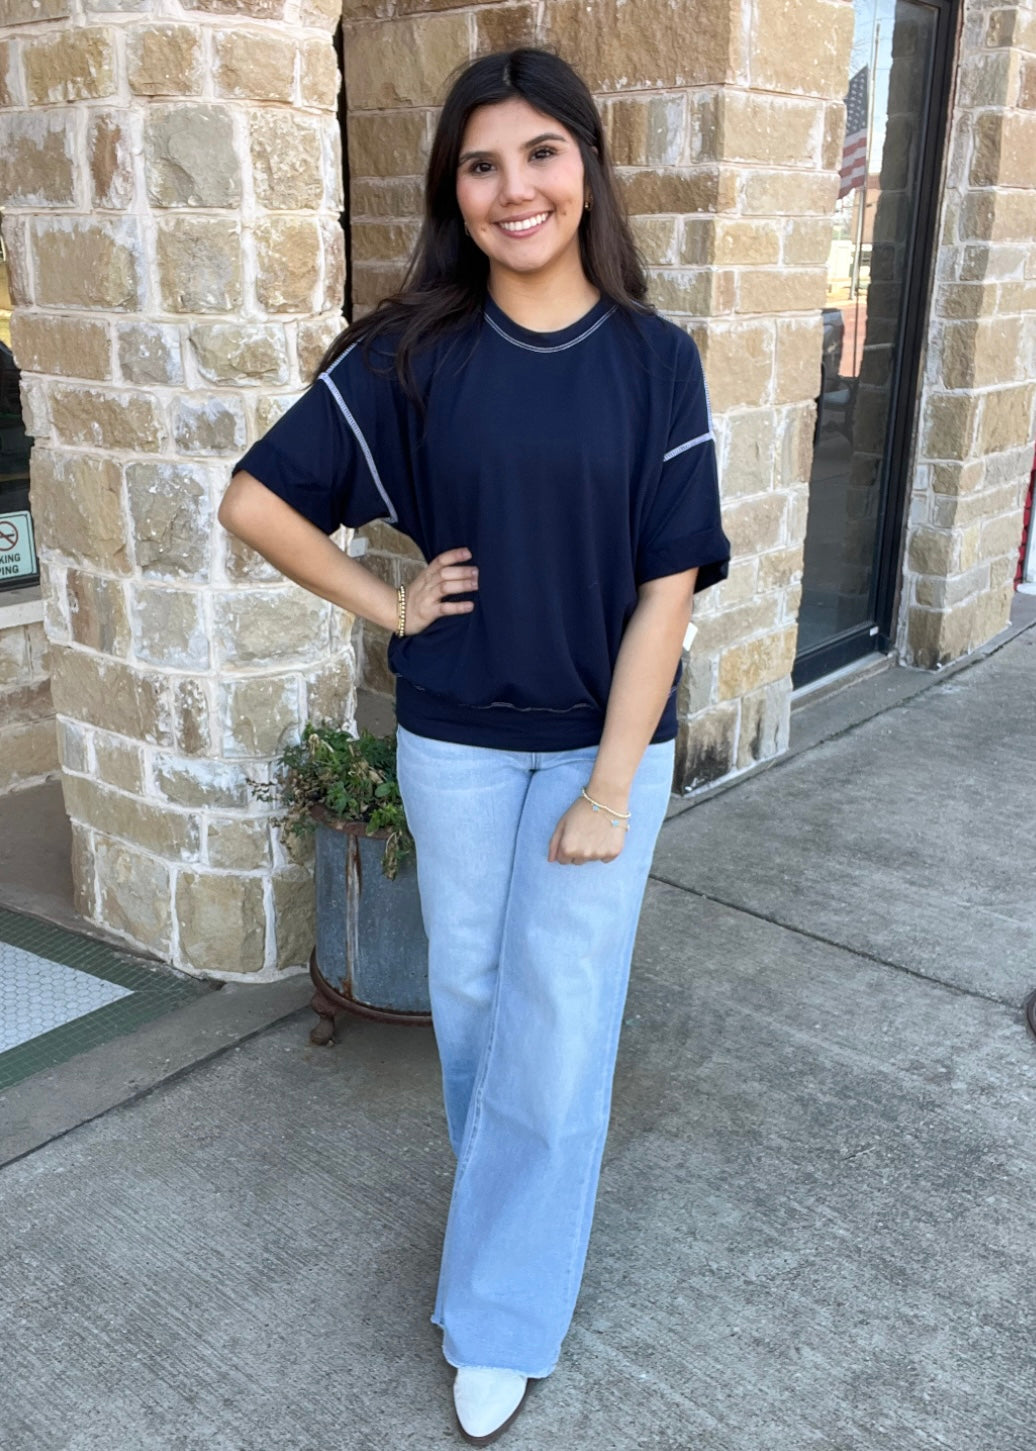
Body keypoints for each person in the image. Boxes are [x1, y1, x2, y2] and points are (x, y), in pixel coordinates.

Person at [219, 47, 730, 1446]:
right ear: (457, 187)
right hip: (449, 741)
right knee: (476, 1008)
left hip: (596, 750)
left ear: (588, 166)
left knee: (557, 1028)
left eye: (543, 154)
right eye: (484, 163)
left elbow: (666, 591)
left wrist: (612, 787)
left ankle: (498, 1308)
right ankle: (509, 1233)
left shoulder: (654, 361)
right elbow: (256, 502)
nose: (517, 188)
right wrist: (387, 596)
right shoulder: (412, 354)